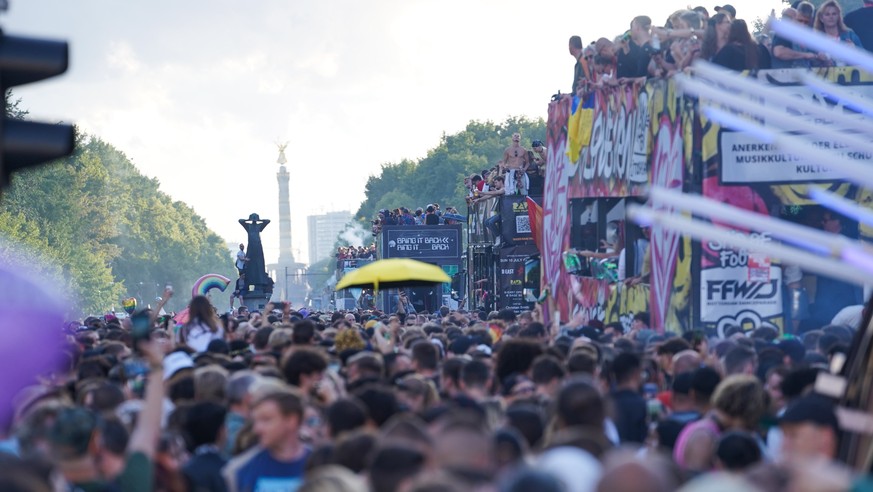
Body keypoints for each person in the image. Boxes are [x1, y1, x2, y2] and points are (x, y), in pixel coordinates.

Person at [223, 388, 311, 491]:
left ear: (291, 420)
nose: (257, 429)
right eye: (256, 421)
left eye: (266, 419)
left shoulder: (320, 464)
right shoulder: (239, 470)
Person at [813, 0, 862, 65]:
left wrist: (855, 50)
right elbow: (808, 61)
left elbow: (864, 57)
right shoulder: (815, 39)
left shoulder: (850, 35)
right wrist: (818, 58)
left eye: (834, 14)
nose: (831, 17)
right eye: (827, 14)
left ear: (838, 17)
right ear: (821, 18)